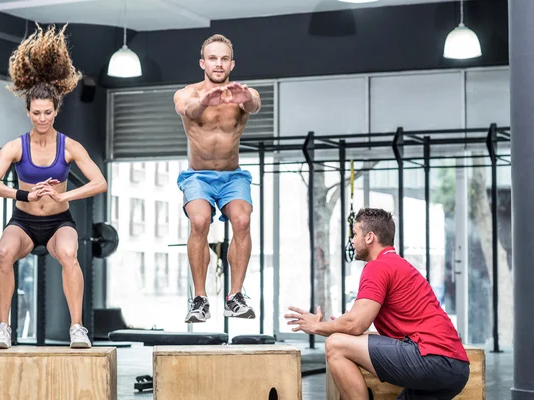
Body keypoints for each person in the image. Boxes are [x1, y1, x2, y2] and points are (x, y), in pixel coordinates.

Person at [0, 25, 107, 349]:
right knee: (4, 252)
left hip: (57, 222)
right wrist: (25, 194)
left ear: (56, 110)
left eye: (47, 112)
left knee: (69, 253)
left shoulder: (69, 146)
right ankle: (3, 328)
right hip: (23, 221)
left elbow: (99, 183)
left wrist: (64, 195)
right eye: (36, 113)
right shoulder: (15, 146)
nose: (42, 118)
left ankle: (77, 328)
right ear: (28, 111)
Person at [284, 208, 470, 400]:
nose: (353, 241)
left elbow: (355, 324)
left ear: (370, 237)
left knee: (336, 345)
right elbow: (377, 332)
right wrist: (341, 327)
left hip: (432, 359)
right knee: (343, 338)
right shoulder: (398, 264)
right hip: (455, 368)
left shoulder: (377, 266)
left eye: (355, 234)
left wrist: (317, 326)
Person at [173, 34, 261, 323]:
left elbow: (254, 104)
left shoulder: (242, 93)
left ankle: (234, 297)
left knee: (243, 221)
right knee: (199, 221)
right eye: (213, 58)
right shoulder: (187, 93)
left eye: (224, 58)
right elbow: (188, 110)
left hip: (232, 176)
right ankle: (199, 299)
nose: (218, 63)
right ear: (203, 62)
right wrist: (205, 101)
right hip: (198, 176)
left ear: (232, 64)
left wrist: (245, 97)